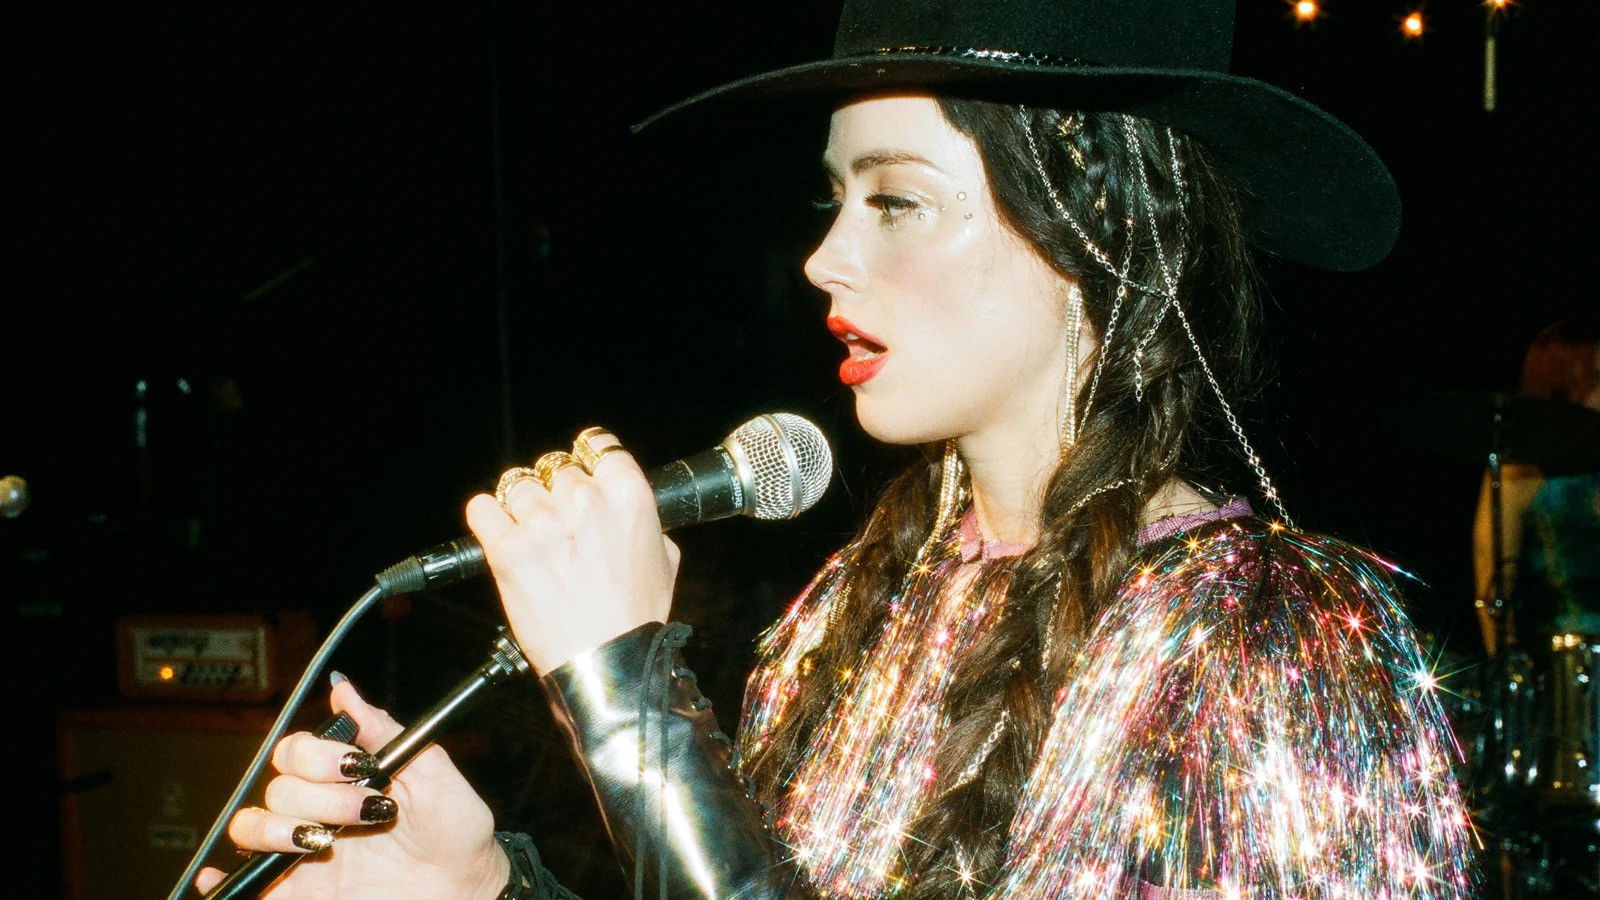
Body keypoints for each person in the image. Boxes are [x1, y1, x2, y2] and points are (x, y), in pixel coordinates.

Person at [197, 0, 1477, 896]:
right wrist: (477, 885)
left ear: (1095, 227)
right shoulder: (863, 605)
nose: (825, 257)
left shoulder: (1255, 647)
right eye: (835, 197)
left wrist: (629, 700)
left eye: (896, 201)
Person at [1471, 319, 1600, 657]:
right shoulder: (1520, 469)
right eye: (1597, 377)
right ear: (1568, 384)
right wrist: (1510, 670)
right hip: (1566, 665)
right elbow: (1491, 591)